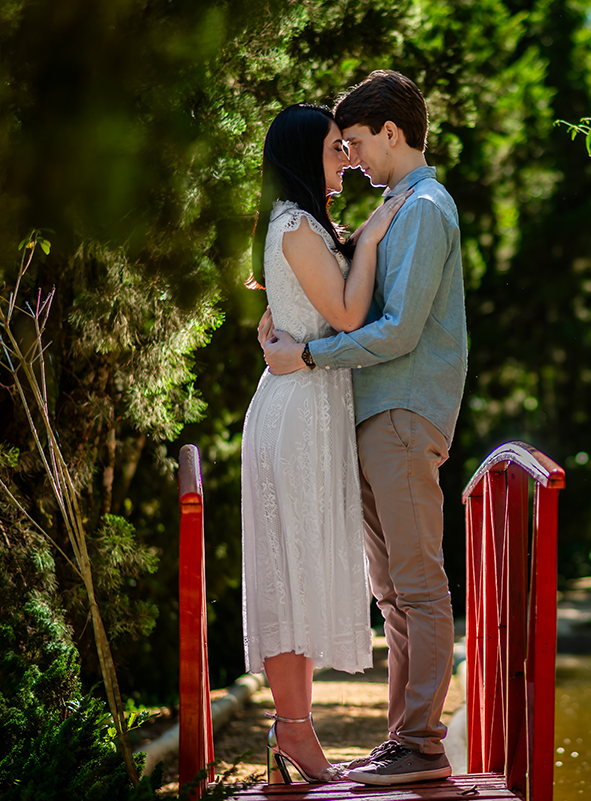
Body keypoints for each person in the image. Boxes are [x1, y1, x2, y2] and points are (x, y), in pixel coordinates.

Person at [260, 70, 467, 787]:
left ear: (390, 132)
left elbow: (400, 329)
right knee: (394, 595)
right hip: (374, 412)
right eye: (337, 147)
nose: (350, 159)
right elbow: (344, 291)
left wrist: (310, 352)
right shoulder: (397, 209)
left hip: (403, 411)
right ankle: (402, 739)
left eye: (354, 143)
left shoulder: (425, 208)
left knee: (419, 586)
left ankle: (421, 741)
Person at [241, 102, 410, 785]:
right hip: (295, 416)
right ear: (306, 153)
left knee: (300, 572)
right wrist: (369, 241)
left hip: (308, 408)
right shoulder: (297, 224)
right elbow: (345, 314)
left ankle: (293, 738)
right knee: (290, 573)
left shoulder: (301, 224)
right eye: (336, 148)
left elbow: (314, 315)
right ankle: (294, 734)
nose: (346, 158)